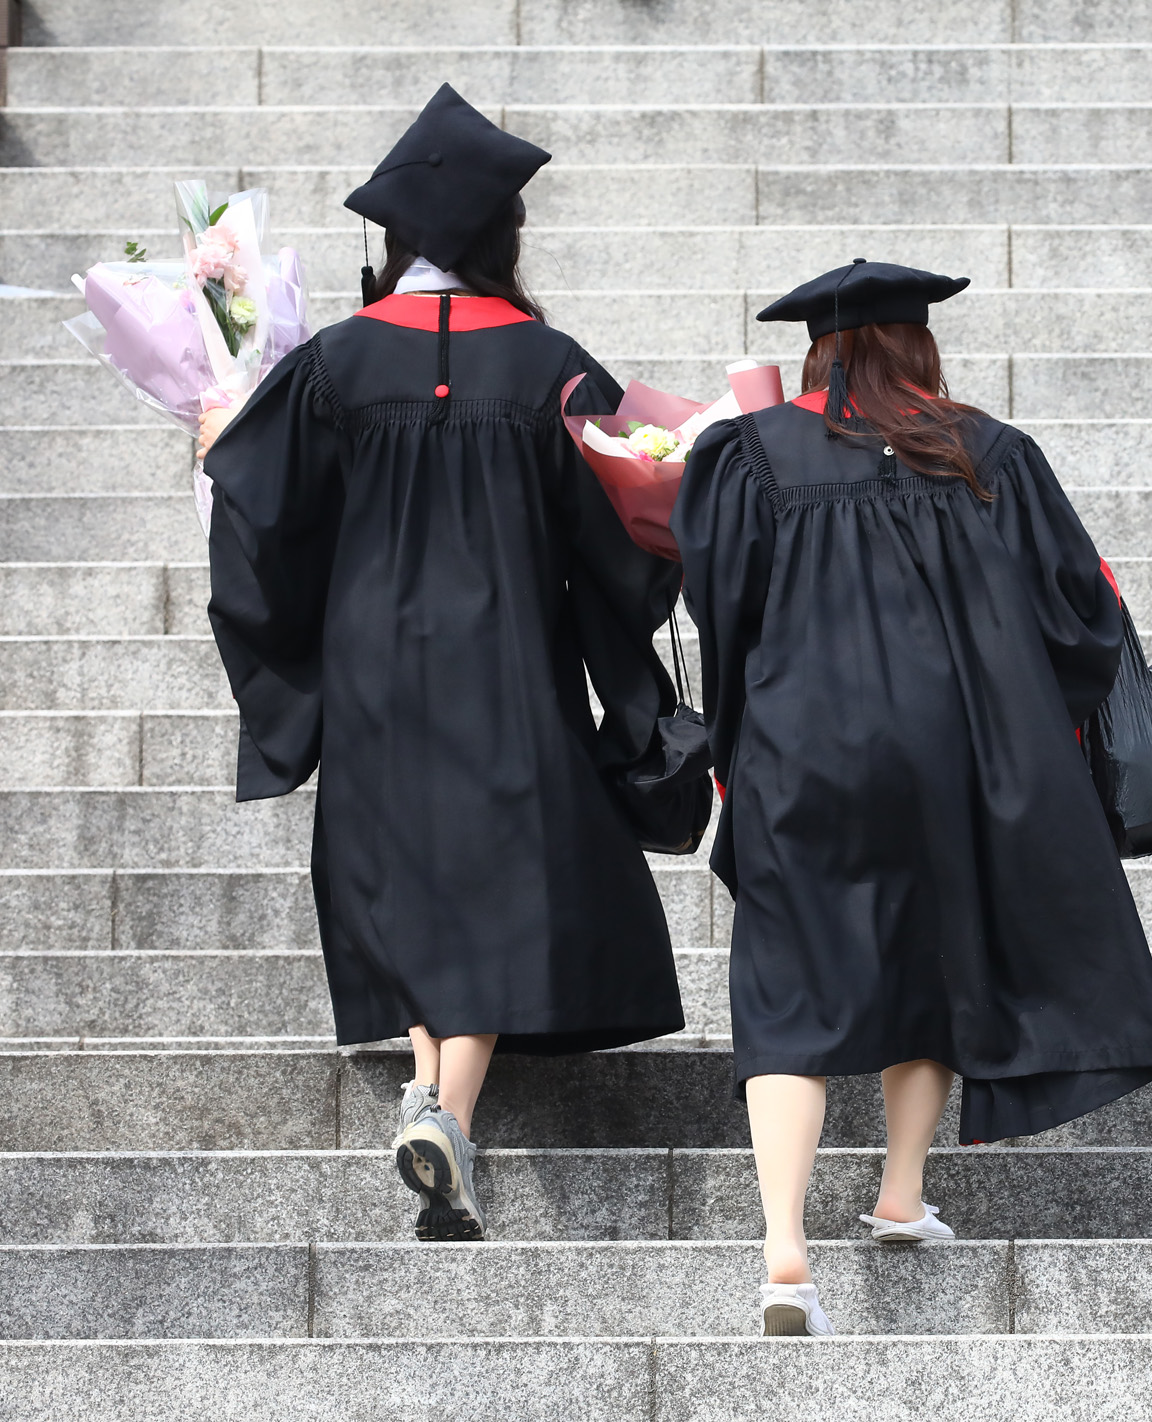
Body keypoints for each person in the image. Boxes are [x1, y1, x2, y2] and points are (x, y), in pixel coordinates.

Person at [200, 84, 687, 1242]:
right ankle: (445, 1112)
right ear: (500, 239)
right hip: (506, 665)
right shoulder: (547, 367)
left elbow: (255, 532)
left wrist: (298, 650)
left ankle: (434, 1091)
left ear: (396, 242)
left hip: (371, 668)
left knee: (405, 869)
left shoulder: (333, 365)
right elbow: (623, 534)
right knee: (498, 879)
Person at [674, 259, 1152, 1336]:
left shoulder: (745, 454)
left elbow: (720, 610)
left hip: (799, 748)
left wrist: (732, 745)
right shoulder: (984, 449)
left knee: (786, 988)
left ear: (817, 354)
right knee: (938, 953)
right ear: (920, 349)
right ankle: (899, 1191)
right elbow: (1076, 620)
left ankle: (783, 1254)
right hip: (953, 753)